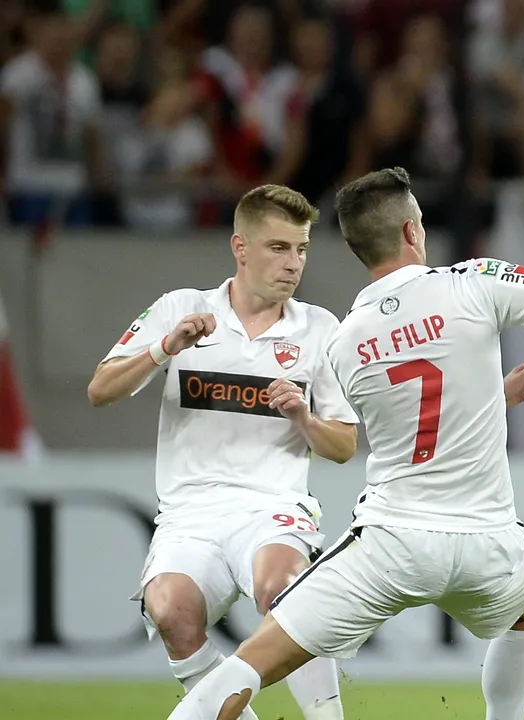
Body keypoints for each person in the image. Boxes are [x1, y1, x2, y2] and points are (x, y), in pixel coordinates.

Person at [165, 169, 524, 720]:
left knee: (254, 660)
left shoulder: (344, 342)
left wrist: (488, 397)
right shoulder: (471, 283)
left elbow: (411, 418)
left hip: (392, 544)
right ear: (411, 231)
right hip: (487, 543)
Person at [87, 186, 358, 720]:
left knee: (283, 589)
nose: (293, 263)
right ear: (240, 246)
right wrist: (165, 348)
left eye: (301, 249)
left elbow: (345, 446)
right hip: (190, 513)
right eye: (278, 248)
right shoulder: (182, 309)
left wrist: (303, 418)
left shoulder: (320, 329)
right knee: (169, 607)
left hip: (271, 505)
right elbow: (100, 389)